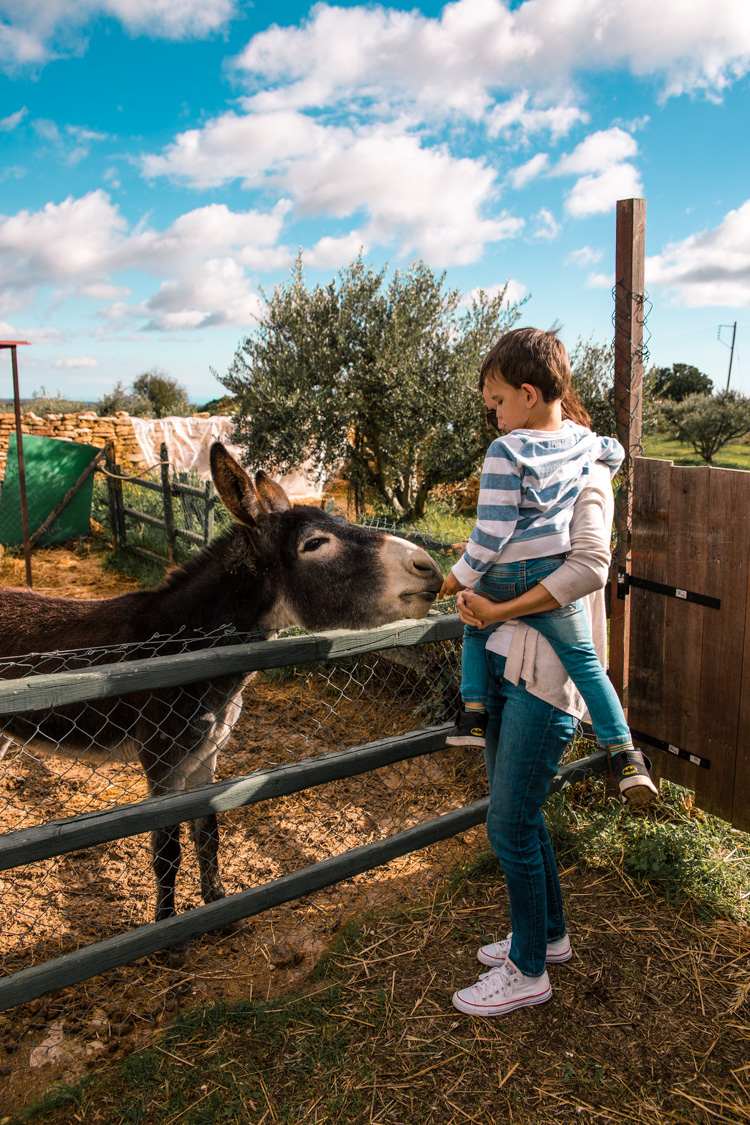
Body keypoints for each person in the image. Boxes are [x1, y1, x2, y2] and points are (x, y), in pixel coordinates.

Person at [450, 454, 642, 1016]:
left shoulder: (587, 472)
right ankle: (548, 937)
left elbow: (587, 569)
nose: (503, 425)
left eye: (505, 403)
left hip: (545, 680)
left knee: (508, 825)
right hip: (505, 670)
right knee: (523, 818)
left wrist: (497, 604)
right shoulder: (526, 474)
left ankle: (528, 970)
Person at [439, 327, 656, 804]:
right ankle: (625, 756)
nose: (493, 414)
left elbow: (490, 533)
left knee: (474, 624)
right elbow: (613, 451)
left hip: (508, 573)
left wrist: (458, 576)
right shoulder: (582, 442)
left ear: (528, 394)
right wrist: (606, 461)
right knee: (587, 665)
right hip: (551, 572)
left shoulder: (506, 450)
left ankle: (472, 715)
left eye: (496, 402)